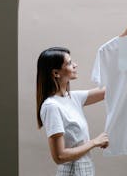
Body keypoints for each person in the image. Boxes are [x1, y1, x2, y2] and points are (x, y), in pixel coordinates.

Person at [37, 47, 109, 176]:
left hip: (84, 168)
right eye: (69, 63)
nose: (75, 65)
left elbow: (112, 90)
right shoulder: (52, 107)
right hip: (73, 171)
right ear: (56, 73)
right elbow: (59, 156)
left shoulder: (72, 97)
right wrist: (94, 142)